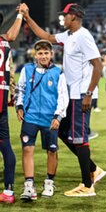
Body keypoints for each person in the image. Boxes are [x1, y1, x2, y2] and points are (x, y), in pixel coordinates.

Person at [19, 3, 106, 197]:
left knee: (80, 139)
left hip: (80, 96)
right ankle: (93, 169)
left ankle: (87, 185)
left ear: (73, 17)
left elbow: (98, 66)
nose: (62, 19)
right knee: (59, 130)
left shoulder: (83, 36)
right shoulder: (69, 36)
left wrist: (88, 94)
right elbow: (46, 37)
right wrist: (27, 16)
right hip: (71, 95)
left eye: (65, 16)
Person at [15, 40, 69, 201]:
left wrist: (58, 116)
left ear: (51, 54)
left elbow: (63, 96)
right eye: (40, 53)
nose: (43, 56)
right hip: (30, 117)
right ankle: (29, 186)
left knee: (52, 151)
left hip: (49, 119)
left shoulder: (58, 72)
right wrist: (19, 106)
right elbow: (20, 89)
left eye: (46, 53)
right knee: (27, 150)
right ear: (35, 54)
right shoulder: (27, 69)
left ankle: (49, 183)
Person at [0, 9, 23, 204]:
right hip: (1, 100)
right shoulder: (4, 43)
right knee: (5, 145)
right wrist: (20, 14)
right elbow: (12, 35)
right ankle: (8, 191)